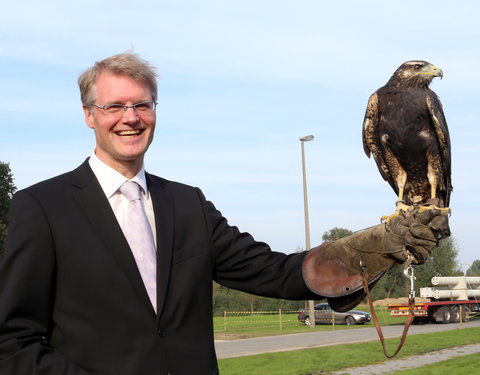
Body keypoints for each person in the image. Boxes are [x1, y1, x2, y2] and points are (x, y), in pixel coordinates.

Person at [0, 53, 449, 375]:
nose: (130, 117)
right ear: (89, 116)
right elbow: (13, 339)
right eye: (114, 106)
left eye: (142, 104)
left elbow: (274, 272)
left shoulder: (187, 204)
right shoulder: (43, 207)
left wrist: (374, 249)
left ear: (155, 111)